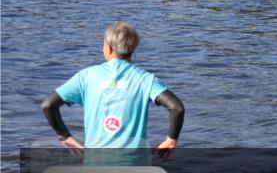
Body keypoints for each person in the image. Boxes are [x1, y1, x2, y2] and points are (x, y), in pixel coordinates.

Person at [40, 23, 184, 157]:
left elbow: (48, 105)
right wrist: (171, 140)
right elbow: (177, 108)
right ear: (132, 50)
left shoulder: (86, 76)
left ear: (108, 47)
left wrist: (64, 136)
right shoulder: (145, 79)